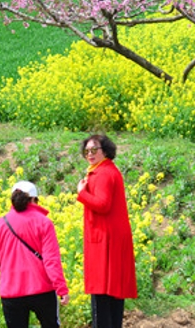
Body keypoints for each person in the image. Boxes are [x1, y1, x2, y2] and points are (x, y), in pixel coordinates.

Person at [0, 180, 70, 328]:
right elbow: (51, 260)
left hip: (11, 291)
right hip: (42, 289)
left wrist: (9, 268)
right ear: (34, 200)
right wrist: (61, 288)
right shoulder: (43, 223)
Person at [76, 135, 138, 328]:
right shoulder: (110, 171)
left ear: (106, 150)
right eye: (86, 151)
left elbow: (102, 204)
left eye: (94, 150)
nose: (90, 154)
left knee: (102, 297)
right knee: (113, 297)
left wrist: (82, 194)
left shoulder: (102, 174)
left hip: (104, 242)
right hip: (110, 240)